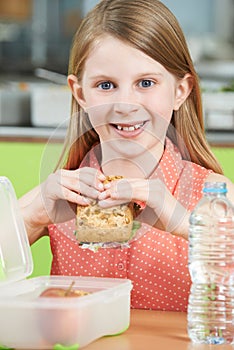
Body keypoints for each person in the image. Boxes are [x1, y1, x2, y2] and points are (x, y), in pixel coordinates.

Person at [19, 0, 234, 311]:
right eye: (106, 85)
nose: (125, 104)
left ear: (180, 90)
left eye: (146, 83)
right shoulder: (62, 195)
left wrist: (183, 222)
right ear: (80, 94)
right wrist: (29, 215)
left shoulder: (210, 195)